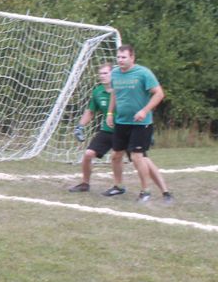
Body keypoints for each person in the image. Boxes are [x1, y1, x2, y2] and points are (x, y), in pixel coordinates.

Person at [104, 44, 172, 203]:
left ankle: (145, 191)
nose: (120, 60)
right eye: (118, 57)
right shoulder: (115, 74)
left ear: (132, 58)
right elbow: (114, 94)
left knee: (137, 157)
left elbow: (159, 94)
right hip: (122, 122)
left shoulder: (143, 73)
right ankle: (118, 186)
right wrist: (110, 113)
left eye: (124, 57)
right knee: (115, 155)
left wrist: (144, 111)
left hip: (141, 124)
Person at [68, 64, 115, 192]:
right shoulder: (98, 92)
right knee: (88, 154)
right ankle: (85, 184)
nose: (102, 76)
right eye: (100, 74)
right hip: (107, 130)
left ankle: (150, 189)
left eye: (105, 73)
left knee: (139, 158)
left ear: (113, 74)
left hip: (124, 130)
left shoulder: (121, 90)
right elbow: (90, 112)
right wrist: (80, 126)